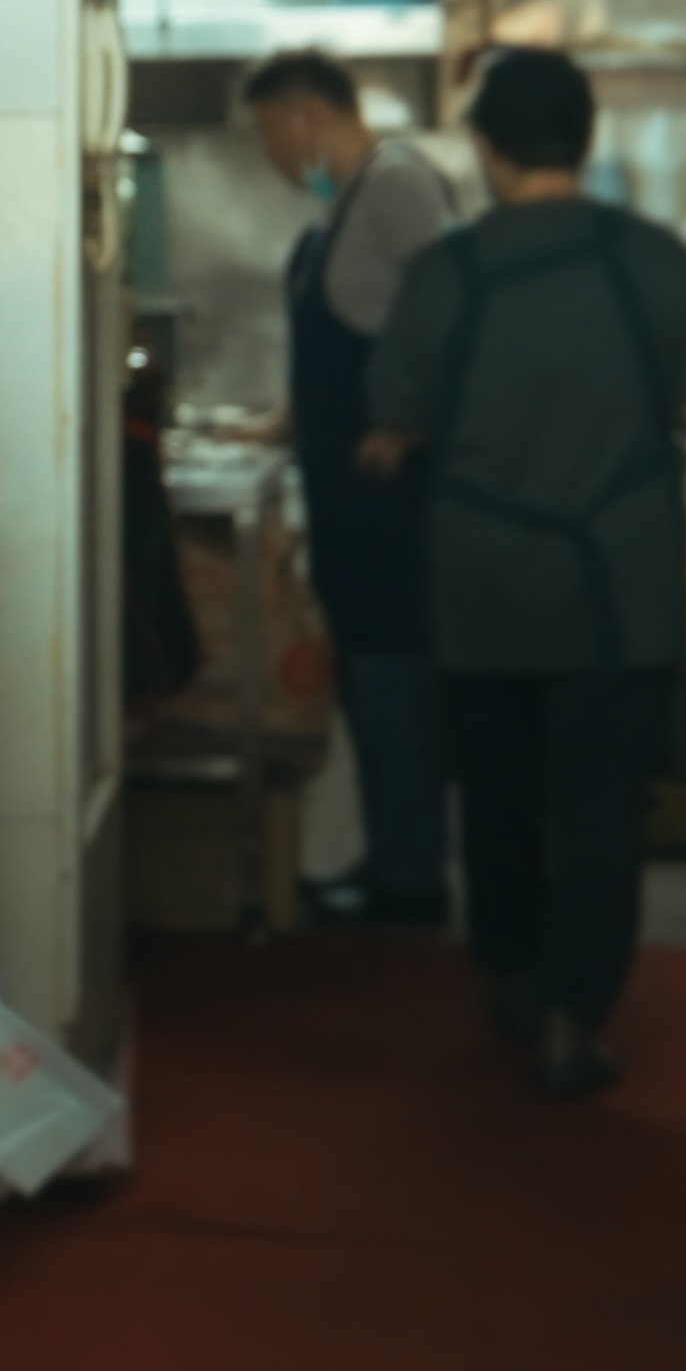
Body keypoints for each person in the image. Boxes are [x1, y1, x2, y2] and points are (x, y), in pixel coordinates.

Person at [362, 48, 686, 1097]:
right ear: (588, 141)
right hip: (617, 596)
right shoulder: (656, 261)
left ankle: (517, 978)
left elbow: (390, 414)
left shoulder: (450, 271)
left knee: (496, 807)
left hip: (485, 596)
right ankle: (578, 1012)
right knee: (599, 817)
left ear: (486, 148)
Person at [242, 52, 460, 929]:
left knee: (394, 688)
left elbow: (455, 315)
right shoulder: (347, 203)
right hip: (348, 499)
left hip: (393, 507)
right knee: (373, 690)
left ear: (304, 116)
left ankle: (411, 882)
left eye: (268, 139)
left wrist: (410, 423)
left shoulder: (401, 188)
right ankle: (392, 864)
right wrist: (282, 422)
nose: (274, 159)